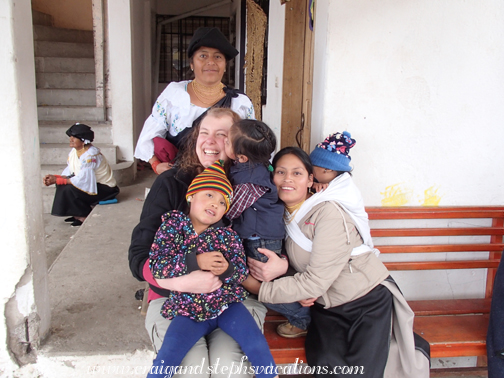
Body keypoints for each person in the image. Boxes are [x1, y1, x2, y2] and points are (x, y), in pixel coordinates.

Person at [244, 143, 430, 378]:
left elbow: (314, 281)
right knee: (325, 363)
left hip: (366, 302)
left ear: (310, 179)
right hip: (327, 307)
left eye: (297, 173)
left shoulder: (327, 212)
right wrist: (284, 265)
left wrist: (256, 287)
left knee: (360, 372)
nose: (287, 179)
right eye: (280, 172)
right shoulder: (276, 214)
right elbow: (307, 262)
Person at [129, 108, 267, 378]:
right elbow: (139, 256)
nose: (209, 141)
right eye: (204, 133)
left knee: (230, 369)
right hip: (173, 298)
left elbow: (278, 236)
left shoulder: (254, 186)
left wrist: (278, 267)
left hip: (232, 299)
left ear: (238, 145)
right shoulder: (172, 183)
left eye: (221, 135)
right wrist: (177, 281)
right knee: (192, 369)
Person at [147, 160, 277, 378]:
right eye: (209, 195)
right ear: (191, 196)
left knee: (256, 345)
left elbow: (239, 273)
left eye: (222, 202)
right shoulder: (172, 226)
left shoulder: (227, 235)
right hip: (188, 307)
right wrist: (196, 261)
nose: (215, 204)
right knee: (169, 355)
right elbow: (159, 265)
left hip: (227, 305)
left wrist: (227, 270)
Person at [224, 119, 310, 338]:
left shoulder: (251, 179)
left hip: (259, 240)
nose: (222, 142)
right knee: (258, 281)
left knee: (265, 284)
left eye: (226, 139)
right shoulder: (251, 168)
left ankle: (302, 317)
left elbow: (232, 210)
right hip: (257, 235)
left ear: (241, 156)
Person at [134, 27, 255, 175]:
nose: (211, 62)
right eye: (203, 56)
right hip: (179, 176)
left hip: (225, 179)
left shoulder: (240, 103)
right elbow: (150, 133)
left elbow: (251, 144)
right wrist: (155, 164)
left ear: (224, 66)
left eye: (218, 57)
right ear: (191, 64)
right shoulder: (174, 95)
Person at [43, 123, 119, 227]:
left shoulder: (90, 155)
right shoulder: (75, 152)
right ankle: (76, 214)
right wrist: (56, 178)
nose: (71, 139)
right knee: (62, 185)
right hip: (92, 183)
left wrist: (58, 180)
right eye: (71, 137)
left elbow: (84, 180)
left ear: (83, 141)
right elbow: (71, 171)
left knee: (69, 189)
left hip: (105, 189)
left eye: (75, 137)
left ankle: (83, 215)